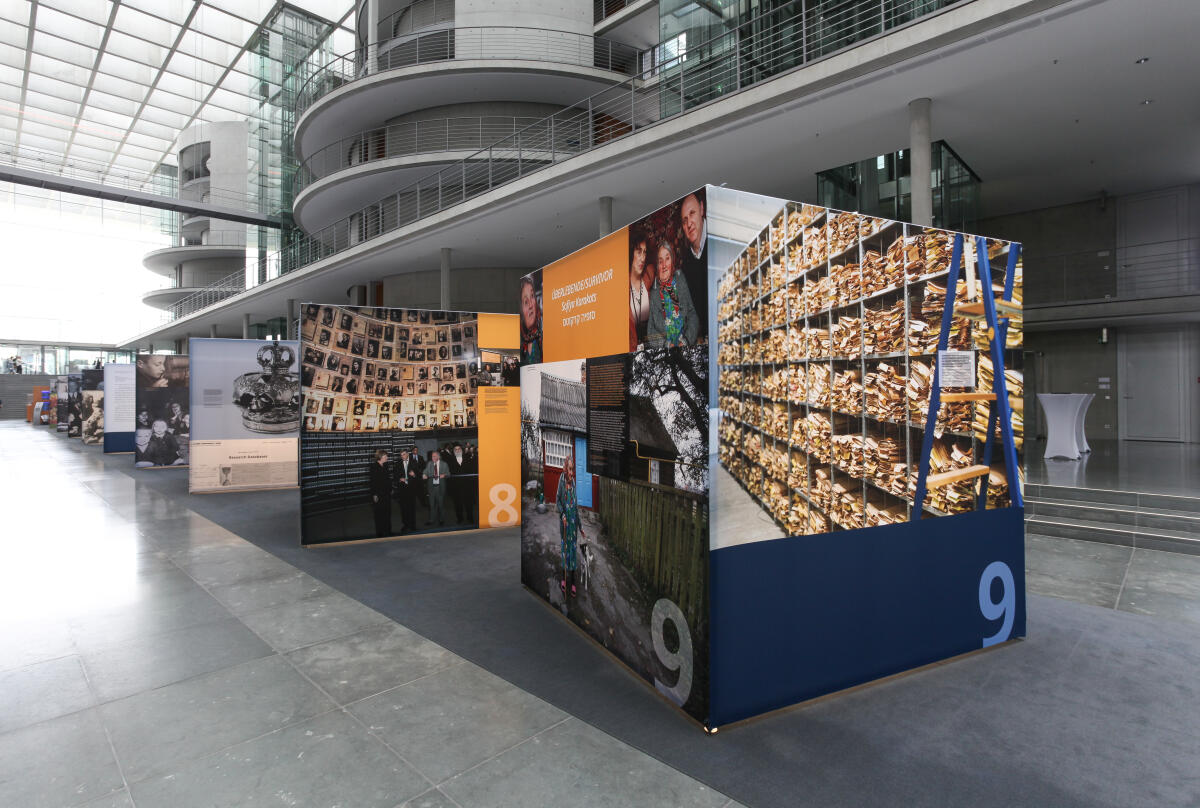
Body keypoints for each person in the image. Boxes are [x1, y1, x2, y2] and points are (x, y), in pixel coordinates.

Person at [647, 239, 700, 347]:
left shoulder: (681, 280)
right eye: (660, 261)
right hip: (667, 353)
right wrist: (666, 344)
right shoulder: (653, 293)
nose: (664, 265)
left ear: (672, 260)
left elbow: (693, 315)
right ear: (656, 265)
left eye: (667, 259)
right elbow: (651, 331)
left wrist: (686, 341)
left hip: (686, 348)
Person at [678, 190, 708, 335]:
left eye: (692, 213)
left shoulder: (720, 237)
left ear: (702, 209)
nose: (689, 223)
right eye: (684, 220)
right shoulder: (685, 267)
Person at [556, 452, 585, 598]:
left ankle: (572, 581)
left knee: (573, 554)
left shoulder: (573, 483)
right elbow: (558, 501)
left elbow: (575, 507)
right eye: (570, 469)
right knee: (565, 552)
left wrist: (581, 528)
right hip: (565, 525)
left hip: (573, 527)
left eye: (573, 469)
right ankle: (563, 578)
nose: (572, 472)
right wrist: (563, 515)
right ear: (565, 468)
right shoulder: (561, 481)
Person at [629, 229, 651, 349]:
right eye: (638, 252)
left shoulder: (648, 278)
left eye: (645, 252)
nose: (642, 258)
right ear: (631, 253)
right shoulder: (623, 287)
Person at [448, 442, 477, 525]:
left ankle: (470, 518)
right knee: (458, 505)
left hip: (468, 486)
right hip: (456, 487)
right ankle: (460, 519)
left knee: (469, 504)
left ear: (462, 450)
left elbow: (473, 470)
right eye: (455, 449)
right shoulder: (450, 460)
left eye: (459, 449)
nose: (457, 450)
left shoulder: (468, 458)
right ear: (453, 451)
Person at [369, 449, 392, 538]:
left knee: (387, 513)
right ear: (381, 457)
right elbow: (373, 482)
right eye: (386, 456)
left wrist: (391, 489)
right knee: (379, 514)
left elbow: (388, 479)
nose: (387, 458)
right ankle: (380, 533)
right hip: (378, 494)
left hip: (387, 494)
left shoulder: (386, 465)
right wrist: (374, 494)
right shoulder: (374, 467)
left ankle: (388, 531)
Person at [519, 275, 542, 364]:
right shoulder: (521, 344)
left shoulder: (542, 338)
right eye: (525, 302)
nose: (531, 305)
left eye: (532, 296)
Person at [395, 448, 419, 533]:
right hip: (402, 489)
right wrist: (399, 479)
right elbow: (395, 476)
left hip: (412, 489)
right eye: (401, 455)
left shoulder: (414, 462)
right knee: (404, 508)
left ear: (408, 454)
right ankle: (406, 525)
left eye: (404, 454)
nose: (402, 457)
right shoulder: (397, 464)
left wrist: (414, 474)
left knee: (412, 507)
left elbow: (419, 474)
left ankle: (413, 525)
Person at [424, 449, 449, 526]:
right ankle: (431, 520)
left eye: (434, 456)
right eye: (432, 456)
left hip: (440, 487)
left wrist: (444, 475)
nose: (432, 458)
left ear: (438, 456)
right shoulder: (429, 464)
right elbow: (425, 471)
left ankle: (441, 519)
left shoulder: (444, 464)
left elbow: (448, 473)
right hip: (431, 487)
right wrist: (424, 474)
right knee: (432, 505)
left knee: (440, 504)